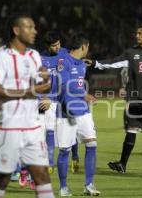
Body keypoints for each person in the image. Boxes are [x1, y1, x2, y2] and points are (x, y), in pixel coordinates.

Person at [0, 14, 54, 198]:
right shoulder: (0, 57)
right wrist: (29, 91)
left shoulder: (35, 56)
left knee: (42, 177)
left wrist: (47, 83)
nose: (35, 31)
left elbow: (42, 85)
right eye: (30, 27)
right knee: (2, 179)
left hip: (33, 126)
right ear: (17, 30)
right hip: (8, 128)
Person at [89, 23, 142, 173]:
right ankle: (122, 164)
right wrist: (95, 63)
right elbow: (113, 62)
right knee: (131, 130)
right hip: (135, 99)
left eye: (140, 33)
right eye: (136, 33)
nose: (137, 36)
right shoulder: (131, 52)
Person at [56, 33, 100, 196]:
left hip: (83, 112)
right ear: (83, 46)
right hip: (66, 113)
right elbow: (65, 83)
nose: (88, 49)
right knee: (65, 151)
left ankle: (88, 185)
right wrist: (84, 95)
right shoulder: (63, 61)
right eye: (88, 47)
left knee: (91, 144)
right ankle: (63, 187)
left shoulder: (82, 64)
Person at [40, 30, 80, 174]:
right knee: (49, 129)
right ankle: (50, 163)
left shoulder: (66, 53)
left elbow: (78, 66)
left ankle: (75, 156)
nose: (57, 48)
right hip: (49, 98)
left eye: (58, 44)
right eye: (53, 46)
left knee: (71, 127)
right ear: (47, 46)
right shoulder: (40, 59)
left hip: (66, 97)